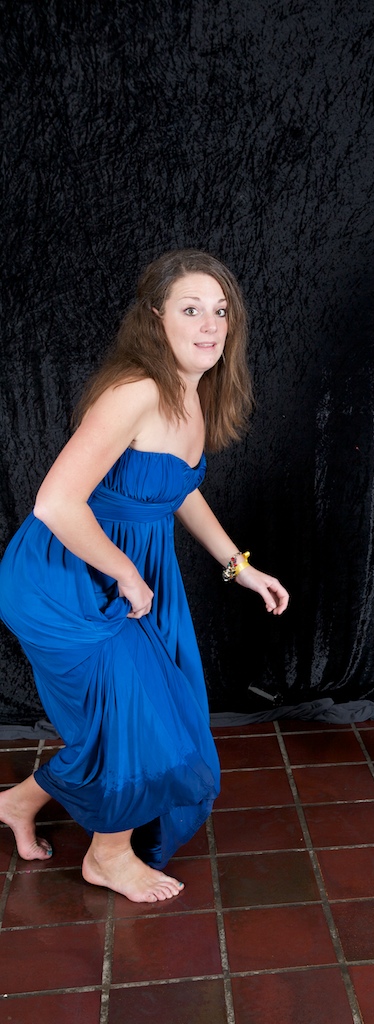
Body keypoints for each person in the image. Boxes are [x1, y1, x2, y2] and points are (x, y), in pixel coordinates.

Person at [0, 249, 289, 902]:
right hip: (63, 574)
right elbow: (55, 504)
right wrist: (126, 573)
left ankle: (18, 802)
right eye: (191, 309)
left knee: (152, 710)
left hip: (126, 569)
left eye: (220, 311)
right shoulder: (135, 390)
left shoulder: (194, 392)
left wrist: (239, 567)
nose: (210, 324)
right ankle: (108, 856)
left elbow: (177, 489)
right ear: (155, 317)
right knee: (138, 714)